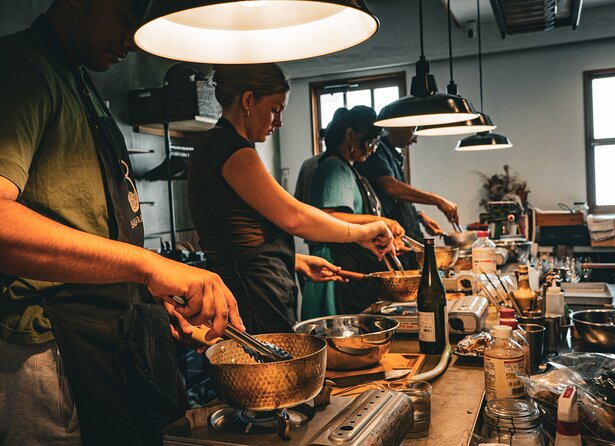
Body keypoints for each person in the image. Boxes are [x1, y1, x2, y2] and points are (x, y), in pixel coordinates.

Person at [0, 1, 243, 445]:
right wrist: (148, 266)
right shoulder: (20, 67)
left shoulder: (78, 82)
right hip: (47, 347)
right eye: (127, 18)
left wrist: (149, 292)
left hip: (105, 337)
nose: (132, 41)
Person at [187, 65, 396, 335]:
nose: (279, 122)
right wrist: (363, 232)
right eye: (275, 109)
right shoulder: (231, 147)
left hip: (250, 286)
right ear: (248, 101)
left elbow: (236, 232)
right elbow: (294, 218)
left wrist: (295, 260)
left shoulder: (216, 144)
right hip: (254, 293)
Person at [303, 106, 407, 317]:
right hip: (334, 264)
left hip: (348, 263)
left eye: (376, 142)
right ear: (350, 134)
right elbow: (328, 217)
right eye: (370, 141)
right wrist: (380, 222)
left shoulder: (350, 169)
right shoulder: (334, 166)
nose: (372, 148)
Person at [356, 122, 460, 244]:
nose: (415, 139)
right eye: (414, 129)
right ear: (399, 124)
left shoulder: (390, 153)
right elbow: (391, 188)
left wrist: (419, 216)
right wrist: (438, 200)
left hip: (407, 237)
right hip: (392, 240)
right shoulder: (377, 151)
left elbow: (394, 202)